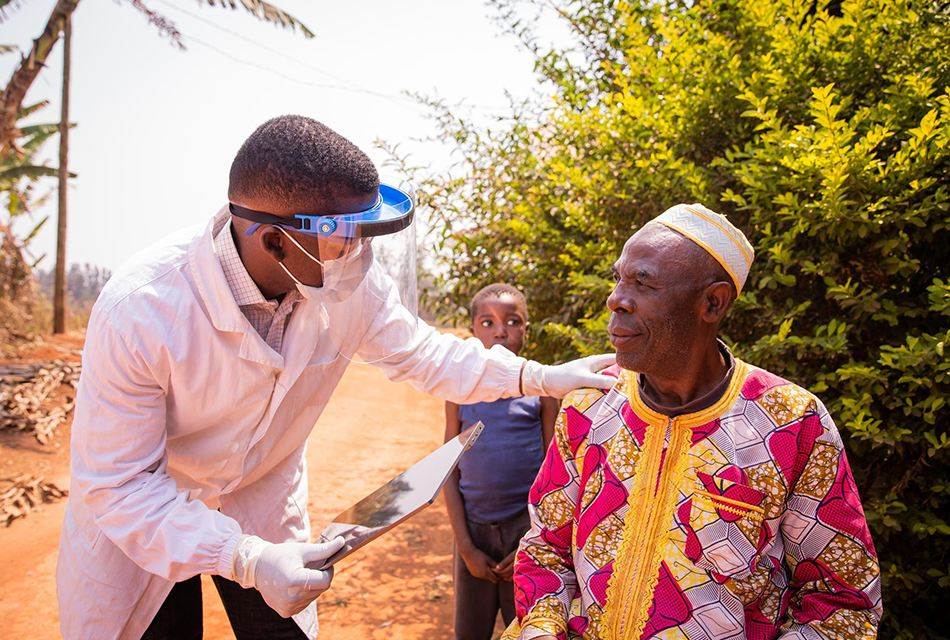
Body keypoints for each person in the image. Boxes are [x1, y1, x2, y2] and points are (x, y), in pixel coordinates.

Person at [55, 115, 616, 640]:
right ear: (275, 241)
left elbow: (425, 354)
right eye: (344, 236)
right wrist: (245, 558)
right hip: (147, 516)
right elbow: (121, 485)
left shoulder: (342, 280)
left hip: (259, 499)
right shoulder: (142, 310)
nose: (359, 252)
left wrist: (539, 376)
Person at [503, 204, 882, 639]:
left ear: (712, 303)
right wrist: (542, 629)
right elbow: (546, 551)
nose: (616, 299)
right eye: (619, 279)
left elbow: (841, 602)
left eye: (643, 283)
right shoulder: (589, 405)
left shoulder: (792, 422)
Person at [444, 283, 560, 640]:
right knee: (470, 632)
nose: (500, 331)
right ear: (473, 330)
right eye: (487, 322)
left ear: (526, 329)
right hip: (473, 533)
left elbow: (553, 472)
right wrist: (466, 547)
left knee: (524, 629)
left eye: (512, 321)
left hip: (524, 534)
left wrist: (530, 541)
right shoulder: (459, 390)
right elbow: (448, 469)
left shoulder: (541, 390)